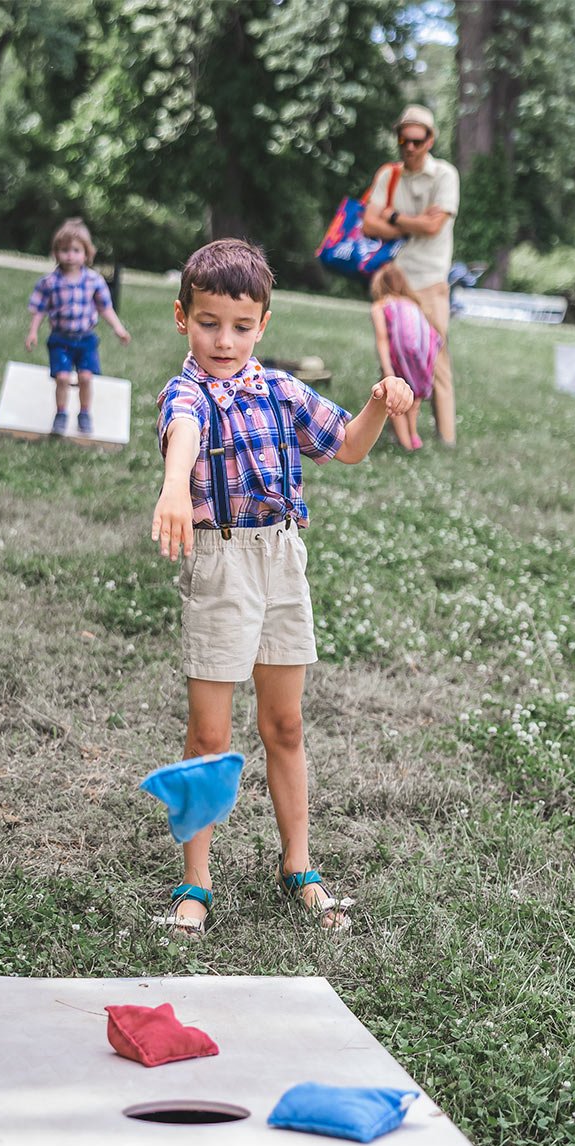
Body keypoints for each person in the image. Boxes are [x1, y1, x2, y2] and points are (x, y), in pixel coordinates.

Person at [147, 239, 413, 936]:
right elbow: (182, 434)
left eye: (241, 326)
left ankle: (297, 864)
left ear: (263, 322)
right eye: (209, 323)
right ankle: (195, 881)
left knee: (284, 726)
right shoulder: (188, 393)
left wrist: (380, 402)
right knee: (209, 734)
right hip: (222, 562)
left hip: (282, 562)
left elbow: (348, 446)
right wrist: (175, 488)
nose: (224, 340)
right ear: (183, 317)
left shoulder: (282, 391)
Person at [361, 104, 458, 448]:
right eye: (404, 139)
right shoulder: (389, 175)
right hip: (394, 280)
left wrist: (395, 217)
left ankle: (446, 439)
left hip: (430, 279)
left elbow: (434, 227)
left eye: (418, 140)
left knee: (436, 358)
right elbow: (369, 223)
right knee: (391, 358)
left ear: (430, 140)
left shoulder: (445, 175)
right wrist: (411, 221)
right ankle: (389, 432)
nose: (410, 146)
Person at [26, 218, 131, 438]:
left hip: (85, 340)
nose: (70, 255)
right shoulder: (50, 282)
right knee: (62, 378)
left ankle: (84, 413)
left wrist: (118, 329)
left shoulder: (94, 281)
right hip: (60, 339)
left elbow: (105, 308)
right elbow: (40, 309)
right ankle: (61, 413)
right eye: (64, 250)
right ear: (56, 253)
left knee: (85, 378)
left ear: (86, 253)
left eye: (76, 250)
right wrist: (33, 332)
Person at [368, 262, 440, 452]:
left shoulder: (381, 306)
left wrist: (388, 370)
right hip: (423, 355)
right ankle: (414, 436)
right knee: (413, 397)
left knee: (392, 398)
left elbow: (383, 339)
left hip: (400, 357)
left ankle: (405, 444)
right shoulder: (413, 304)